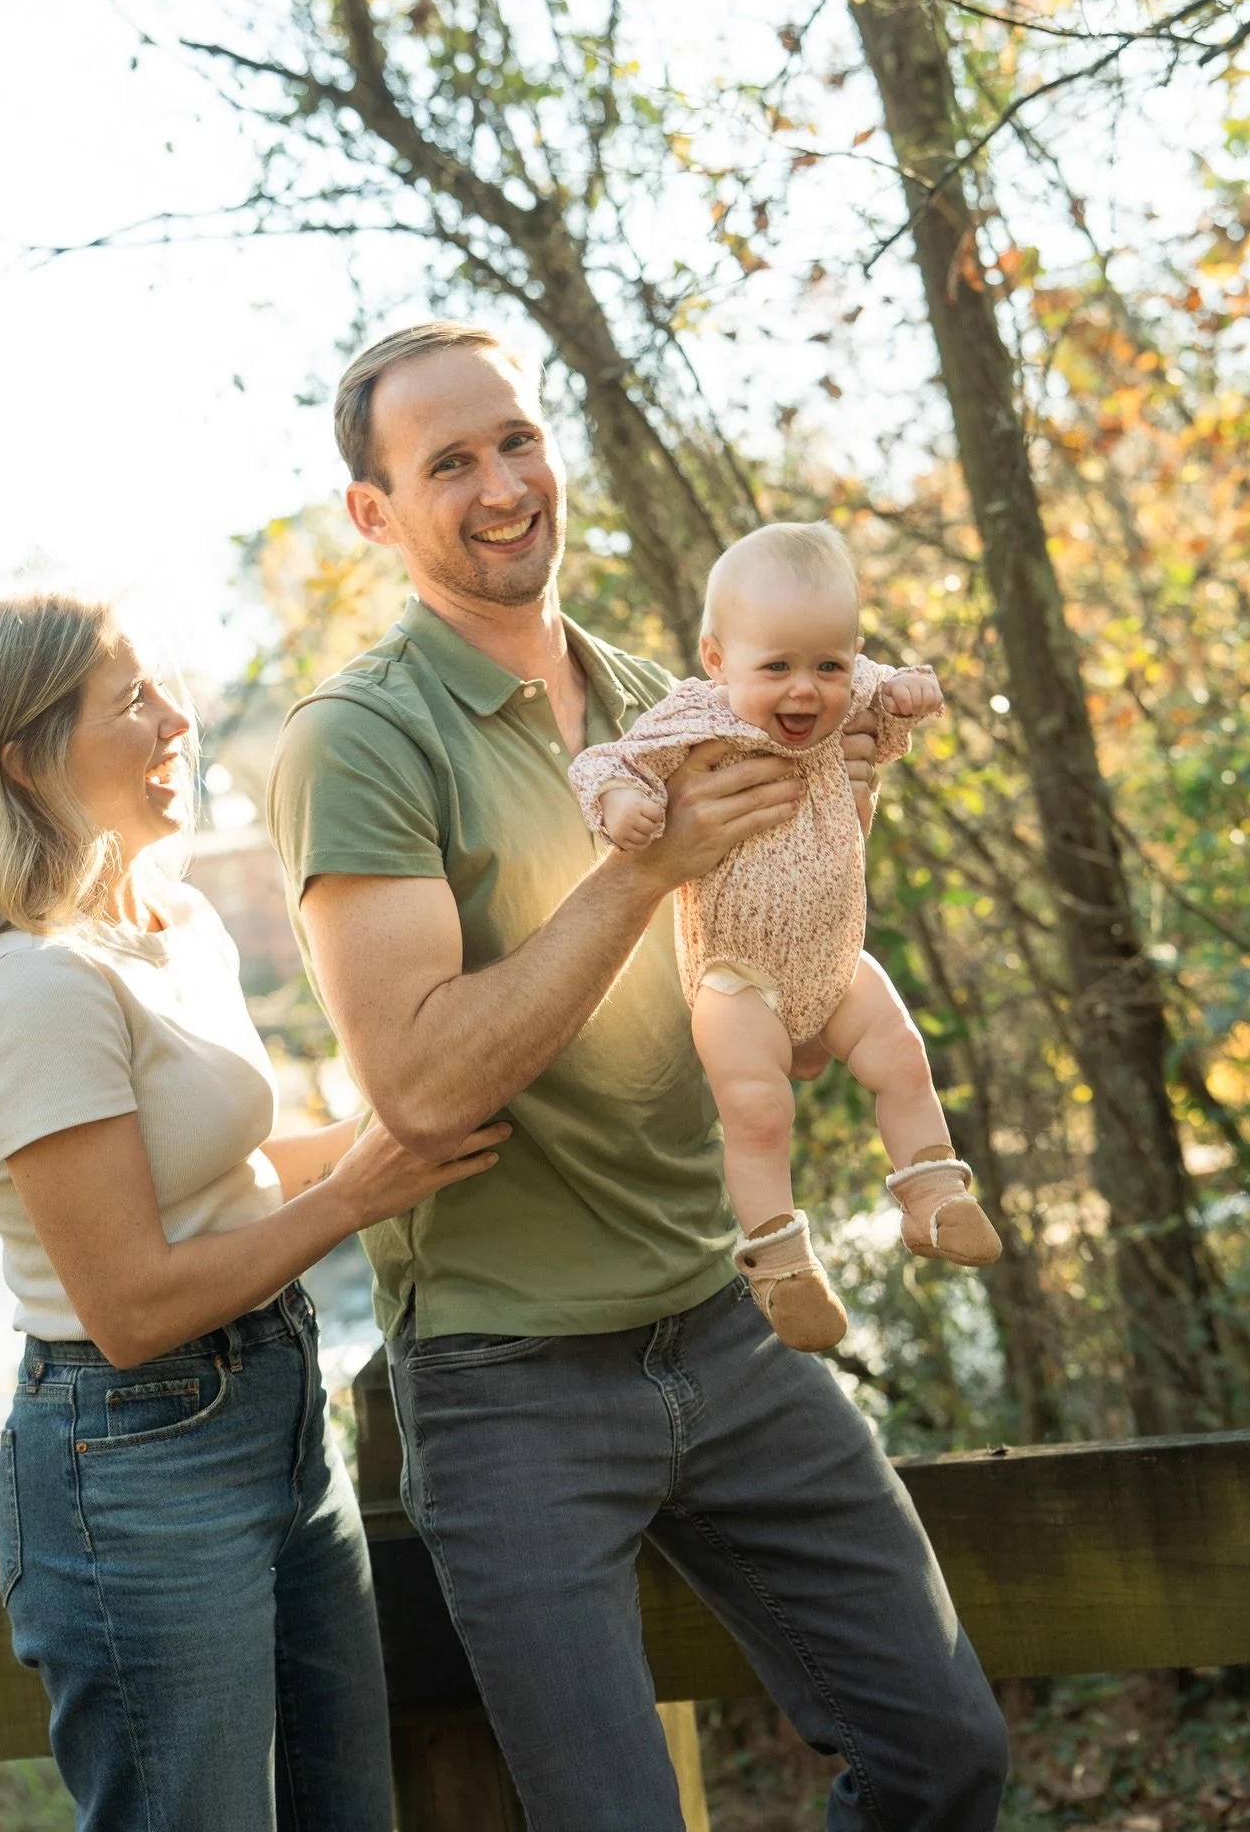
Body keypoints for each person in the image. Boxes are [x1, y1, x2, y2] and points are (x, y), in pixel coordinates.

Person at [267, 321, 1010, 1831]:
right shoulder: (360, 739)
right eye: (448, 462)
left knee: (947, 1756)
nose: (501, 485)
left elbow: (737, 977)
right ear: (376, 512)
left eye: (517, 440)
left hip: (729, 1328)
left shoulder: (680, 692)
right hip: (511, 1384)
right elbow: (418, 1087)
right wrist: (645, 871)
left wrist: (804, 1013)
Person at [0, 590, 506, 1832]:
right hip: (135, 1460)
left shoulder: (170, 923)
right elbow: (129, 1303)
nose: (179, 719)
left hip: (280, 1410)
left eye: (165, 686)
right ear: (23, 756)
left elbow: (217, 1172)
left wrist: (428, 1119)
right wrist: (358, 1194)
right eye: (132, 701)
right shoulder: (28, 986)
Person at [569, 521, 1001, 1353]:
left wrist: (912, 689)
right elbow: (602, 763)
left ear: (850, 656)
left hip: (836, 958)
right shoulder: (695, 718)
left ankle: (932, 1193)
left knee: (902, 1057)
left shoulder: (852, 691)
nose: (805, 691)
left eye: (827, 667)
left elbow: (908, 682)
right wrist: (626, 805)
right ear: (716, 658)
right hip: (738, 974)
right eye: (777, 668)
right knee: (760, 1110)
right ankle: (779, 1261)